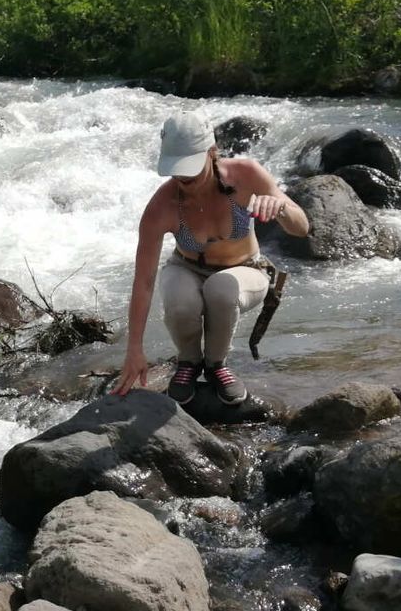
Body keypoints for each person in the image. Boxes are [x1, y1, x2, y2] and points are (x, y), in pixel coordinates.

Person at [114, 112, 309, 404]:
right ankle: (189, 362)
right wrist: (134, 350)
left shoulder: (247, 174)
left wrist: (281, 208)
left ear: (212, 152)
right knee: (179, 298)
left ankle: (217, 364)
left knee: (220, 288)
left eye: (190, 168)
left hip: (247, 269)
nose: (183, 177)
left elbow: (302, 228)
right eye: (177, 169)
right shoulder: (161, 206)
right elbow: (143, 282)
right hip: (186, 268)